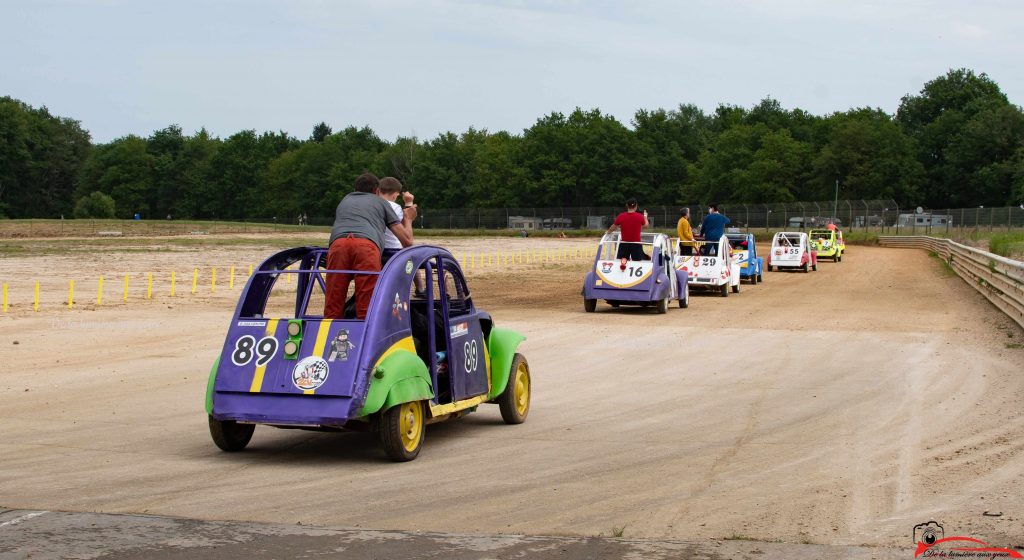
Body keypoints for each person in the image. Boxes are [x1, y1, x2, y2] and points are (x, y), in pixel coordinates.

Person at [324, 172, 416, 320]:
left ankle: (330, 333)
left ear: (355, 189)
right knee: (366, 301)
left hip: (338, 245)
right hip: (366, 246)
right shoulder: (381, 203)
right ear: (377, 191)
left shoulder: (345, 200)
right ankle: (365, 336)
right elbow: (407, 240)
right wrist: (408, 218)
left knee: (334, 297)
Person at [377, 177, 415, 266]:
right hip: (393, 250)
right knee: (412, 260)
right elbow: (406, 231)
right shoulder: (395, 206)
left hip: (377, 249)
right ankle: (418, 281)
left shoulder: (373, 205)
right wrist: (409, 203)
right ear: (395, 194)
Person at [605, 199, 649, 270]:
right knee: (637, 262)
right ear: (636, 206)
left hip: (624, 242)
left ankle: (624, 264)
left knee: (622, 259)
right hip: (636, 243)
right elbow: (646, 226)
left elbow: (613, 227)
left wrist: (608, 232)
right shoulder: (640, 216)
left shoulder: (621, 216)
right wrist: (645, 217)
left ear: (626, 205)